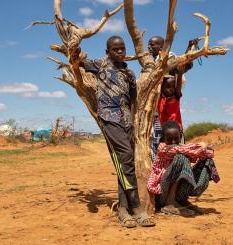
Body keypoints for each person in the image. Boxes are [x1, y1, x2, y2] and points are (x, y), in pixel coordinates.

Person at [80, 36, 155, 228]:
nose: (120, 52)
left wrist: (131, 118)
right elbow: (79, 62)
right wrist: (74, 53)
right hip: (109, 118)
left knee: (124, 163)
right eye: (115, 49)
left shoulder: (129, 73)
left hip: (126, 121)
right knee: (126, 156)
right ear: (108, 52)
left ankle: (123, 209)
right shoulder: (100, 64)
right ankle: (136, 206)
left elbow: (132, 98)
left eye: (122, 49)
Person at [147, 120, 220, 216]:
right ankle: (169, 203)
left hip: (176, 190)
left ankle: (181, 200)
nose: (173, 142)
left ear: (180, 137)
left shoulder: (182, 148)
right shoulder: (162, 148)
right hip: (161, 193)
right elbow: (181, 150)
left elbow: (209, 154)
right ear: (163, 139)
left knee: (207, 161)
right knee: (181, 157)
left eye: (176, 139)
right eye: (169, 139)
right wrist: (201, 146)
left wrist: (202, 149)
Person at [148, 36, 198, 162]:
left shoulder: (169, 58)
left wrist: (189, 48)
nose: (149, 47)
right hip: (156, 115)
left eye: (153, 44)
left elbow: (183, 65)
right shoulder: (150, 61)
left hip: (171, 120)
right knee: (158, 145)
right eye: (149, 44)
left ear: (162, 47)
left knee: (175, 146)